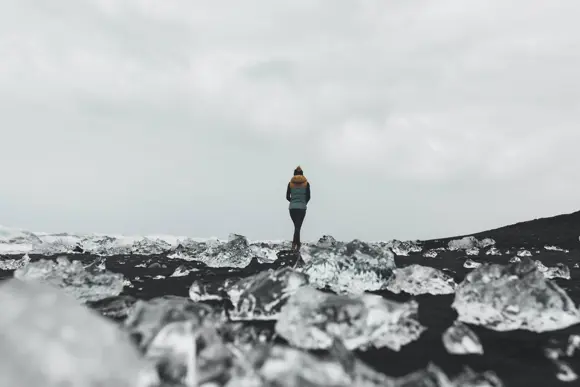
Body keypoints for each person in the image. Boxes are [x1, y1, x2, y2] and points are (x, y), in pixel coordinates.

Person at [286, 166, 310, 251]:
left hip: (292, 208)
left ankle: (297, 244)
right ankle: (294, 245)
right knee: (298, 227)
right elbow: (308, 197)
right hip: (302, 208)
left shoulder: (290, 183)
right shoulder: (306, 183)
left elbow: (287, 197)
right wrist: (303, 203)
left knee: (297, 227)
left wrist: (293, 201)